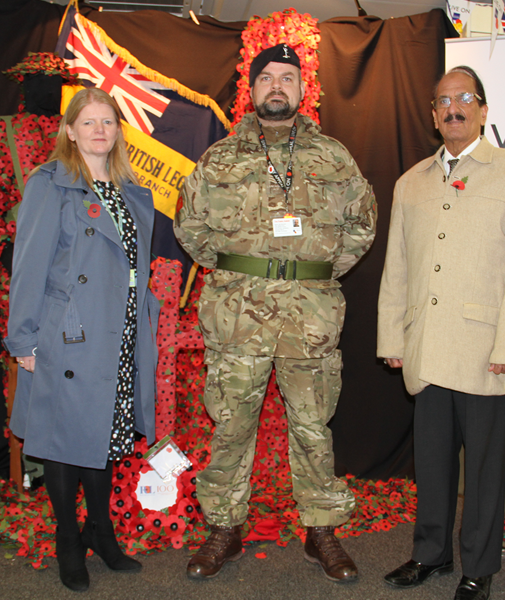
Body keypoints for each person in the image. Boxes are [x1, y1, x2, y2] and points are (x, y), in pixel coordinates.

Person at [174, 44, 376, 583]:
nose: (278, 87)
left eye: (288, 77)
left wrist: (320, 273)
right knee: (231, 423)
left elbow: (362, 224)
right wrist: (239, 274)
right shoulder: (219, 159)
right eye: (268, 78)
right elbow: (189, 227)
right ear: (253, 87)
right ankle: (224, 528)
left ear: (302, 89)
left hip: (309, 318)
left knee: (312, 425)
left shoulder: (333, 158)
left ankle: (320, 532)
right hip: (238, 316)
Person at [376, 66, 505, 600]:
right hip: (427, 348)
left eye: (465, 98)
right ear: (432, 115)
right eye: (443, 100)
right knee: (431, 466)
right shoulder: (411, 182)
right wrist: (392, 339)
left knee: (485, 470)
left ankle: (479, 565)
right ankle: (430, 554)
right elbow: (397, 267)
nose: (454, 108)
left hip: (485, 351)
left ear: (483, 109)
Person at [3, 87, 160, 592]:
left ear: (117, 131)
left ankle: (101, 531)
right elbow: (27, 266)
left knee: (105, 435)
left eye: (108, 121)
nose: (99, 129)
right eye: (88, 121)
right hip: (69, 333)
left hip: (121, 330)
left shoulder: (134, 192)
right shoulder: (50, 185)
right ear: (69, 130)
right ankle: (68, 538)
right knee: (64, 440)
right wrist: (23, 338)